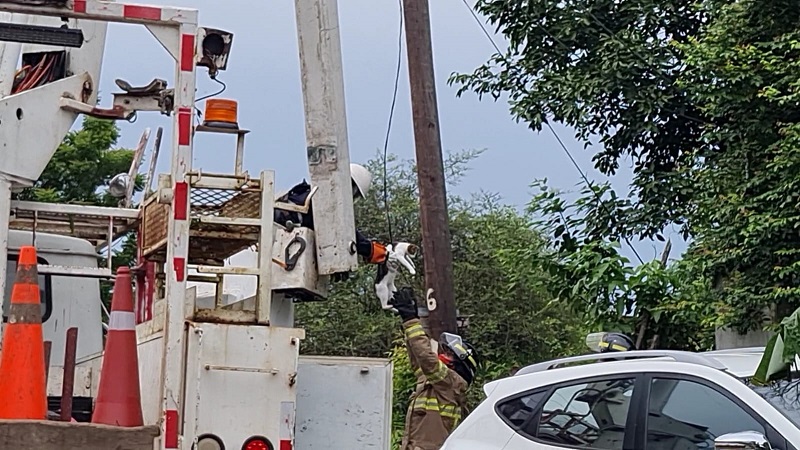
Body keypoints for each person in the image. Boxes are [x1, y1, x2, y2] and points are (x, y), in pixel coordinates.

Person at [390, 287, 478, 450]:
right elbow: (419, 358)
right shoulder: (436, 384)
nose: (443, 356)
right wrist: (408, 319)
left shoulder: (451, 383)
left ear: (459, 364)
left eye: (449, 354)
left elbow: (426, 358)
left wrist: (411, 320)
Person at [273, 163, 388, 265]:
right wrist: (370, 249)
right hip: (280, 233)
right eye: (355, 194)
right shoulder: (323, 199)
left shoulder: (314, 193)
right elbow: (344, 232)